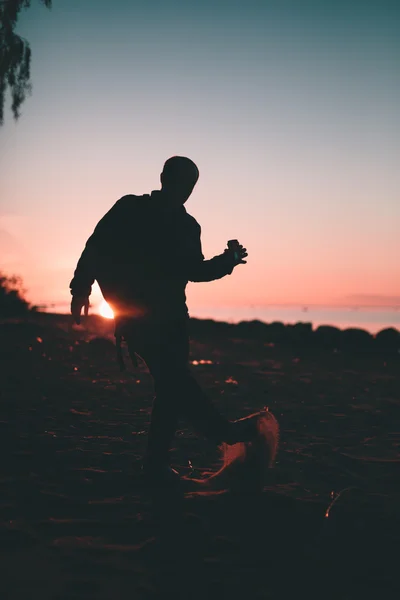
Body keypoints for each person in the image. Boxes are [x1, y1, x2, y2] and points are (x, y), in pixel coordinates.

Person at [70, 156, 261, 484]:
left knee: (170, 388)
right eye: (180, 180)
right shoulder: (130, 208)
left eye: (191, 184)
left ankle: (156, 465)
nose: (185, 189)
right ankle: (223, 431)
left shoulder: (189, 226)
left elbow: (193, 271)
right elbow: (96, 247)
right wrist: (81, 289)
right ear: (164, 178)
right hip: (136, 318)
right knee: (173, 379)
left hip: (174, 318)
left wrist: (227, 261)